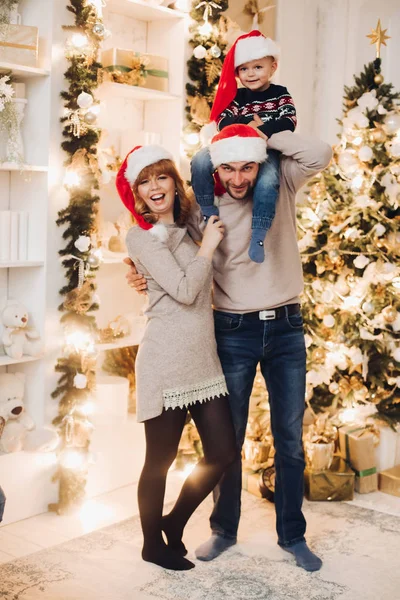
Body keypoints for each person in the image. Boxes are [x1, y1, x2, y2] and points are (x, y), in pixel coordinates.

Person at [127, 124, 332, 573]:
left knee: (289, 440)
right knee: (228, 443)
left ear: (258, 163)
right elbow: (170, 264)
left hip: (285, 326)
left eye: (247, 166)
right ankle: (223, 530)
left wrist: (265, 137)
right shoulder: (202, 211)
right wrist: (139, 270)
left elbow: (319, 153)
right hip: (230, 329)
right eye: (228, 167)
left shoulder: (279, 184)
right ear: (214, 168)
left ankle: (292, 536)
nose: (239, 178)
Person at [116, 144, 236, 572]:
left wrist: (204, 243)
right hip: (165, 359)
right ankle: (152, 543)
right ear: (138, 193)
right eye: (144, 182)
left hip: (203, 358)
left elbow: (197, 283)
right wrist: (209, 248)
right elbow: (186, 292)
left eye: (160, 177)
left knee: (223, 452)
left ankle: (174, 520)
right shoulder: (140, 237)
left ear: (174, 181)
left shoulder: (189, 226)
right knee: (159, 461)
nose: (154, 188)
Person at [191, 30, 297, 264]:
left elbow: (288, 121)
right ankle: (208, 210)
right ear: (237, 72)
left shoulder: (280, 94)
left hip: (264, 150)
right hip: (233, 146)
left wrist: (264, 130)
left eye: (258, 67)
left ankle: (258, 233)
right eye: (244, 69)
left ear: (273, 67)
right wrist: (249, 126)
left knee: (269, 181)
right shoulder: (237, 97)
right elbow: (222, 120)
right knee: (199, 160)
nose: (251, 74)